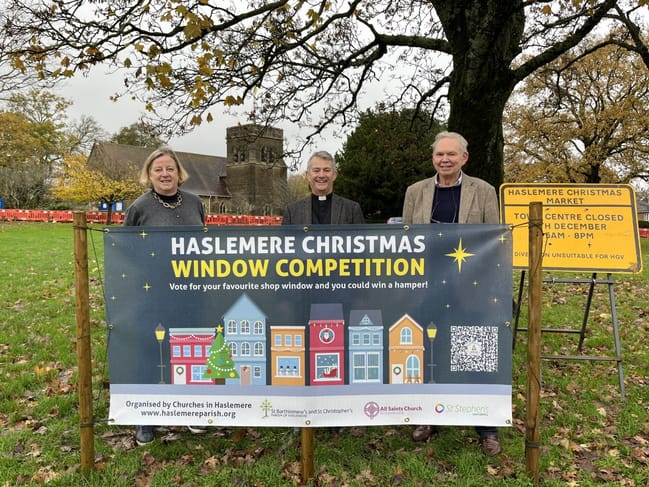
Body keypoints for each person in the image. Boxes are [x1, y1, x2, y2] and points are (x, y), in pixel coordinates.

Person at [401, 131, 502, 456]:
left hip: (470, 289)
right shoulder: (415, 192)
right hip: (427, 287)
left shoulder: (484, 191)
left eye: (451, 155)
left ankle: (487, 428)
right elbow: (406, 242)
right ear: (433, 159)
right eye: (439, 155)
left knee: (475, 353)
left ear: (464, 158)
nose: (444, 159)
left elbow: (494, 242)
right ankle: (428, 417)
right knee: (429, 354)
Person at [124, 146, 206, 445]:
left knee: (190, 350)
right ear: (149, 174)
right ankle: (146, 418)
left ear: (179, 172)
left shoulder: (196, 203)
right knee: (150, 350)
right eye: (158, 169)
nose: (164, 174)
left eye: (169, 168)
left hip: (190, 293)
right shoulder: (139, 207)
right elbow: (127, 249)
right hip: (153, 293)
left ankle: (193, 410)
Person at [282, 150, 365, 225]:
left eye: (326, 170)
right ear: (308, 175)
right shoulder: (291, 212)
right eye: (316, 170)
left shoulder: (352, 210)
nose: (321, 175)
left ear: (334, 175)